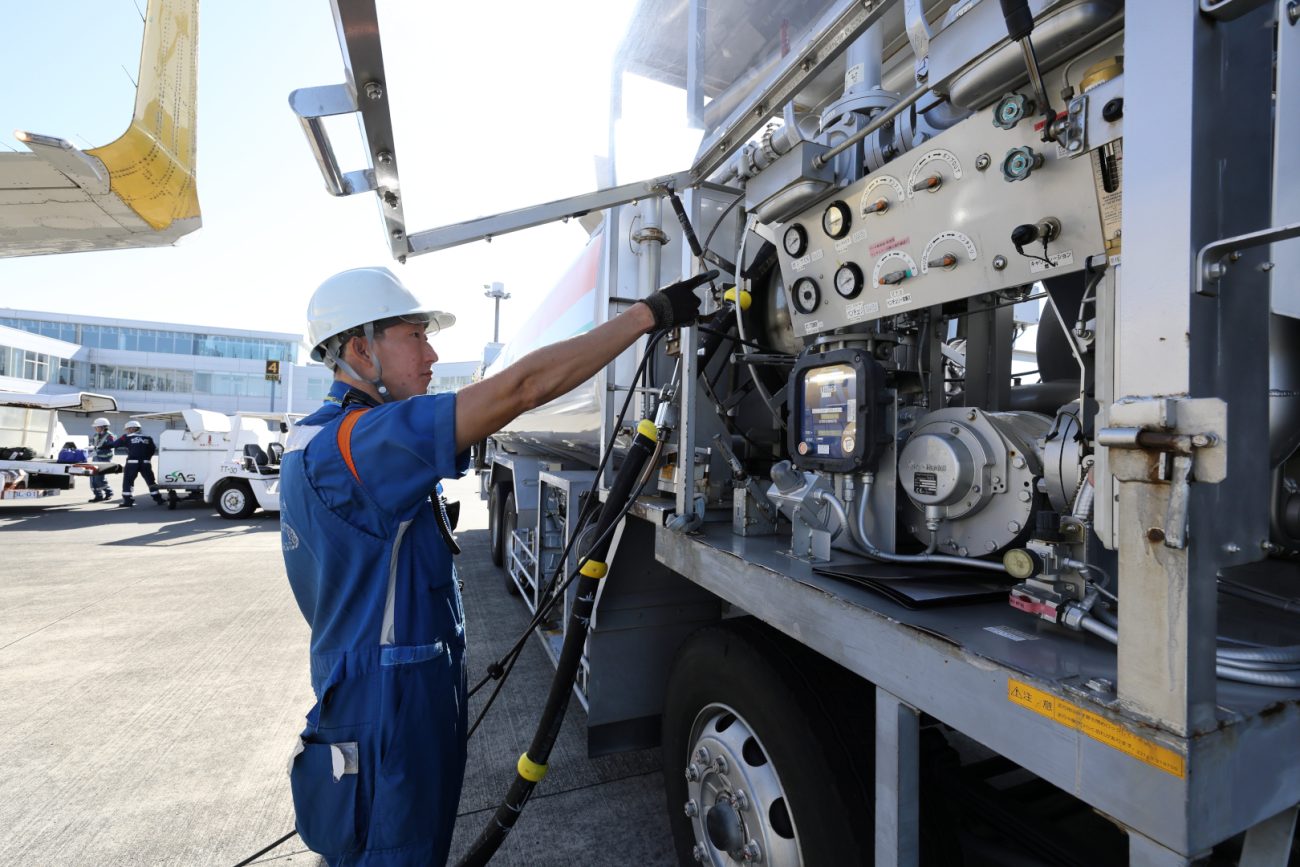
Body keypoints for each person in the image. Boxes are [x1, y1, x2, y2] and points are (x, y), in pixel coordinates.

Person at [280, 265, 706, 866]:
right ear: (359, 348)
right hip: (389, 709)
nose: (431, 355)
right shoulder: (359, 444)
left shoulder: (315, 440)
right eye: (414, 336)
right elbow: (521, 389)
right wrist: (649, 315)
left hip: (379, 691)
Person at [112, 420, 165, 507]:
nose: (126, 431)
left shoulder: (127, 437)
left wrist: (101, 446)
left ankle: (128, 501)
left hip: (132, 464)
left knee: (128, 481)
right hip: (146, 464)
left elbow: (115, 444)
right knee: (151, 481)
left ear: (132, 429)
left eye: (127, 429)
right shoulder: (148, 437)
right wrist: (146, 458)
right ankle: (158, 499)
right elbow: (152, 450)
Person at [88, 418, 116, 502]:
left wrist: (98, 452)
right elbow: (94, 446)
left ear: (103, 427)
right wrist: (90, 449)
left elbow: (110, 448)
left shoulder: (110, 436)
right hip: (95, 458)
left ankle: (109, 492)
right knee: (92, 477)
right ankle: (98, 496)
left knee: (99, 479)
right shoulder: (96, 435)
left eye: (96, 427)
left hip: (104, 459)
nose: (95, 428)